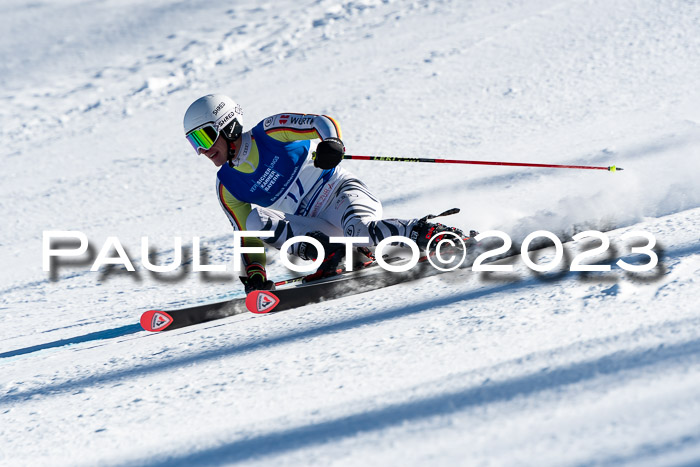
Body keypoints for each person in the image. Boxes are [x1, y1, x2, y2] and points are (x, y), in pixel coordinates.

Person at [183, 94, 466, 293]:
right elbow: (247, 238)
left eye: (205, 137)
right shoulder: (227, 185)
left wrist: (331, 143)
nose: (202, 151)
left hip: (341, 193)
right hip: (312, 223)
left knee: (359, 229)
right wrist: (255, 275)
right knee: (256, 221)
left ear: (228, 125)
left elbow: (320, 122)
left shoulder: (269, 132)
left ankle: (431, 233)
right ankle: (338, 255)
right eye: (194, 142)